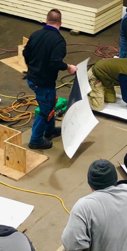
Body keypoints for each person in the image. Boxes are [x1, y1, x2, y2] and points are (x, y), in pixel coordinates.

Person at [22, 9, 78, 150]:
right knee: (45, 110)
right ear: (61, 23)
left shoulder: (36, 34)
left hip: (33, 78)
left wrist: (32, 67)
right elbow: (55, 62)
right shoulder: (59, 41)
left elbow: (25, 52)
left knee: (51, 103)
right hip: (42, 83)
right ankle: (35, 140)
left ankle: (50, 131)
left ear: (47, 21)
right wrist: (68, 67)